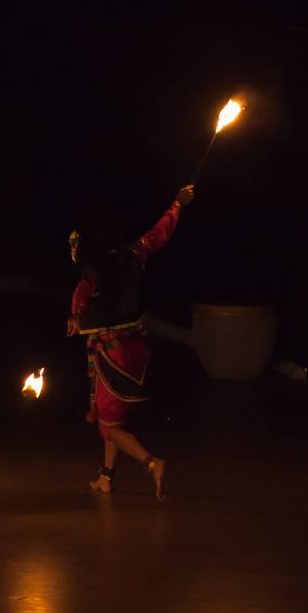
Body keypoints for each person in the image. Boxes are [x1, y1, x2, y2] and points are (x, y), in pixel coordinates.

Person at [68, 183, 194, 501]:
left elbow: (79, 307)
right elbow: (159, 233)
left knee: (108, 428)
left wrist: (74, 318)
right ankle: (106, 477)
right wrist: (177, 205)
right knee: (114, 420)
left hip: (112, 354)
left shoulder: (90, 278)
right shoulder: (135, 253)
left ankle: (151, 463)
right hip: (136, 350)